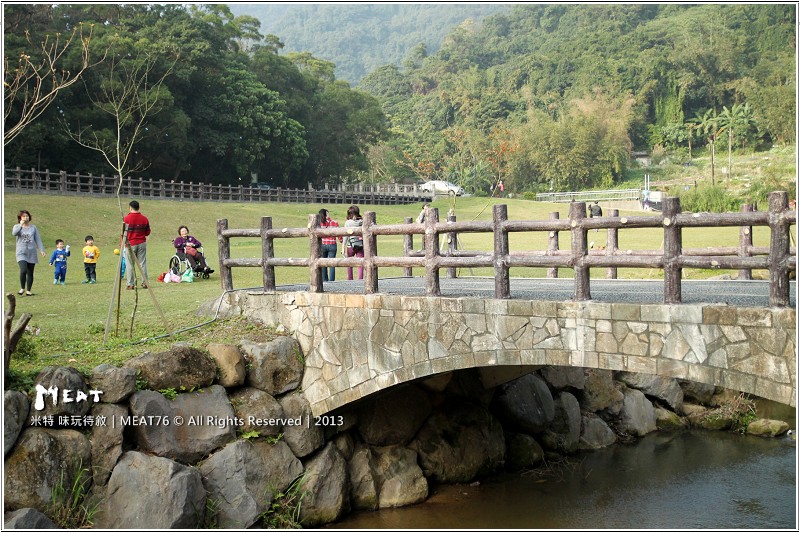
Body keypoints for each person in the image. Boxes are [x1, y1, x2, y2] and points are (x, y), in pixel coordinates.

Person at [13, 210, 46, 296]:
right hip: (21, 252)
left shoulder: (33, 228)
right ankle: (22, 288)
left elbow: (38, 239)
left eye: (27, 216)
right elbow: (14, 233)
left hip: (31, 252)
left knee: (30, 272)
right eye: (23, 216)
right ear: (20, 218)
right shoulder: (17, 226)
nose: (25, 218)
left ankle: (28, 291)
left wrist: (42, 250)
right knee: (23, 270)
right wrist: (21, 224)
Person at [123, 200, 151, 289]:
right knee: (142, 263)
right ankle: (145, 282)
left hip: (130, 243)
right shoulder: (144, 218)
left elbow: (123, 232)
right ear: (139, 208)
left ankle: (130, 284)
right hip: (142, 243)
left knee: (130, 264)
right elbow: (147, 232)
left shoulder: (126, 219)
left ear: (130, 208)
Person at [318, 209, 341, 282]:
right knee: (332, 264)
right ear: (327, 213)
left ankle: (324, 280)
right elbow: (339, 234)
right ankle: (332, 281)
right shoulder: (334, 222)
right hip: (332, 244)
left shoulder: (319, 224)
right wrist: (341, 241)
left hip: (323, 244)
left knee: (323, 263)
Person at [344, 205, 364, 280]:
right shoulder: (362, 222)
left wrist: (343, 246)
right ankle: (360, 279)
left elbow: (345, 235)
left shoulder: (348, 222)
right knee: (361, 263)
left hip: (350, 245)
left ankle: (350, 279)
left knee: (349, 263)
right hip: (360, 244)